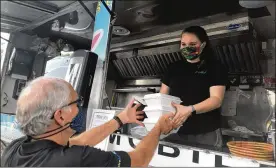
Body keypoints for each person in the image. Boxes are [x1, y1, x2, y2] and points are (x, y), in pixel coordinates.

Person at [1, 77, 176, 167]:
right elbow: (140, 161)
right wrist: (159, 127)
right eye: (76, 103)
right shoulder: (78, 160)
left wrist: (121, 119)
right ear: (60, 116)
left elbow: (78, 142)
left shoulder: (15, 149)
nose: (79, 109)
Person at [160, 26, 228, 148]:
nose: (187, 48)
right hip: (174, 130)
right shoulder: (173, 68)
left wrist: (190, 109)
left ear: (202, 45)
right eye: (183, 44)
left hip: (205, 132)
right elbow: (162, 97)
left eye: (192, 44)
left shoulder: (215, 67)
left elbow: (216, 100)